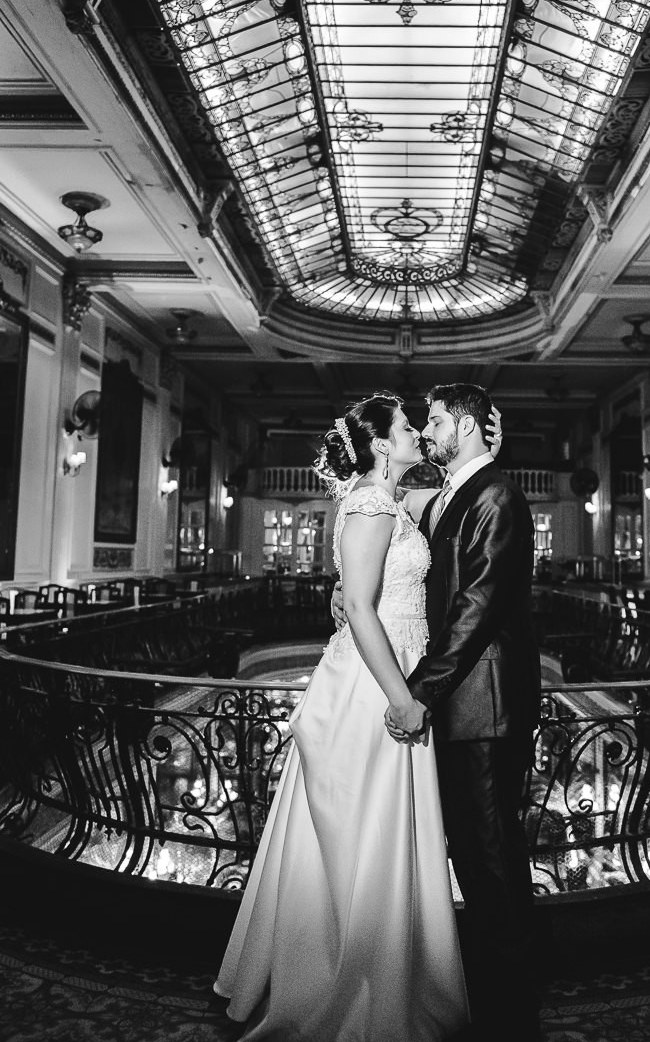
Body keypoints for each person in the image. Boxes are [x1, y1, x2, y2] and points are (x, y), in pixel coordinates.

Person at [213, 392, 470, 1042]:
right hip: (374, 682)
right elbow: (358, 607)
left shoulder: (386, 501)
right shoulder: (366, 502)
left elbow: (365, 589)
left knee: (382, 830)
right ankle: (346, 987)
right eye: (407, 426)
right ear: (382, 442)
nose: (414, 432)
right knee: (361, 832)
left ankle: (389, 973)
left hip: (394, 662)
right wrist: (402, 698)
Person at [336, 382, 540, 1041]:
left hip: (485, 706)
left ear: (472, 426)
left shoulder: (497, 495)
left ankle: (512, 1020)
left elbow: (475, 610)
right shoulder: (452, 495)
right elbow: (390, 568)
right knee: (472, 862)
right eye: (421, 421)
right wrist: (342, 596)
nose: (426, 430)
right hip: (459, 708)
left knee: (491, 863)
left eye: (437, 419)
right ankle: (482, 999)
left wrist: (417, 695)